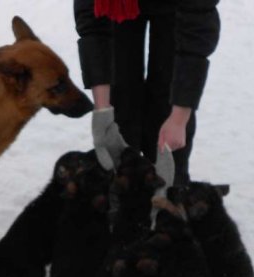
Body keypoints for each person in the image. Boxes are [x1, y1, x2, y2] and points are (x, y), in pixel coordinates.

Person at [74, 0, 220, 185]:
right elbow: (94, 24)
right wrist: (103, 112)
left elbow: (197, 24)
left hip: (179, 8)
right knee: (120, 109)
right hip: (115, 5)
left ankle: (169, 192)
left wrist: (179, 118)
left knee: (167, 107)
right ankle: (120, 192)